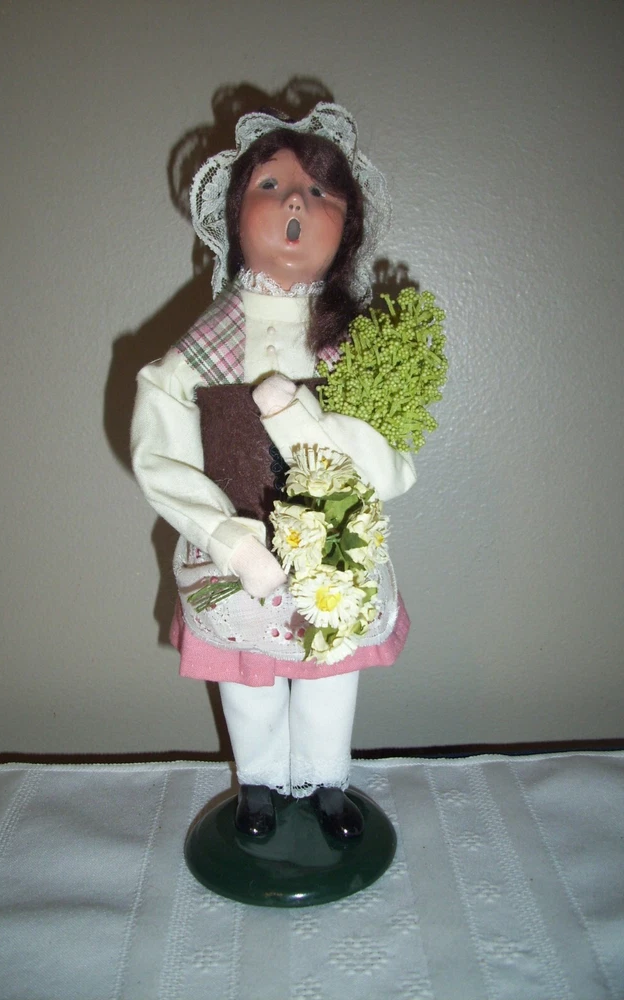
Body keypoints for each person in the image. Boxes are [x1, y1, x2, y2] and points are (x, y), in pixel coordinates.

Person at [131, 104, 416, 839]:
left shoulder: (357, 351)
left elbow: (389, 470)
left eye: (320, 191)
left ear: (347, 227)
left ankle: (326, 782)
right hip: (237, 553)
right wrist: (227, 539)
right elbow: (160, 456)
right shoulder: (196, 353)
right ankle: (257, 785)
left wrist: (302, 419)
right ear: (235, 216)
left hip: (335, 552)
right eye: (272, 184)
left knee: (331, 671)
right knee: (247, 677)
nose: (296, 201)